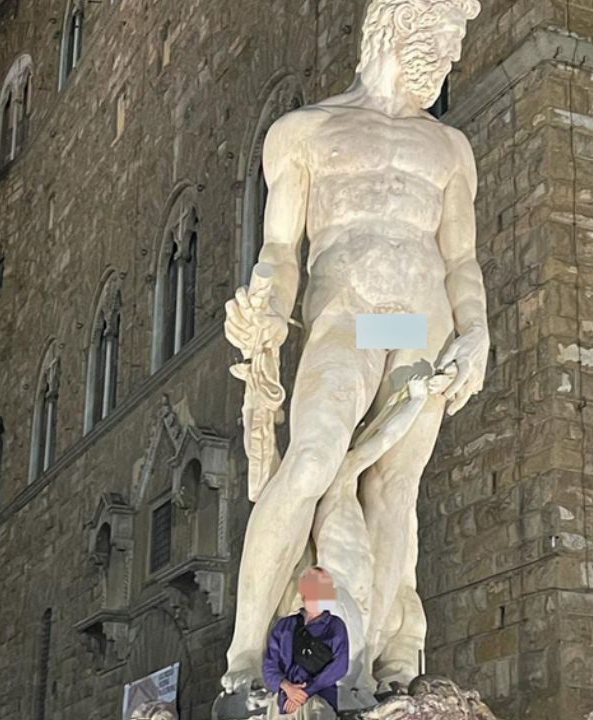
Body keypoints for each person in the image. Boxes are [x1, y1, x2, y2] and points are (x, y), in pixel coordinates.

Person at [221, 0, 488, 695]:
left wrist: (477, 330)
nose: (453, 54)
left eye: (458, 41)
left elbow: (461, 259)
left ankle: (368, 667)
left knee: (395, 488)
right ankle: (245, 661)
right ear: (398, 26)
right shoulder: (305, 132)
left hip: (419, 323)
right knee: (311, 461)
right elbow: (281, 250)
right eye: (445, 36)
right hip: (350, 315)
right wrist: (267, 307)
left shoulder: (450, 148)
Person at [261, 567, 350, 718]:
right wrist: (287, 687)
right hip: (284, 703)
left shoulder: (335, 626)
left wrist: (305, 692)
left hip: (319, 701)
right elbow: (269, 665)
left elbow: (339, 666)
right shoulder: (284, 626)